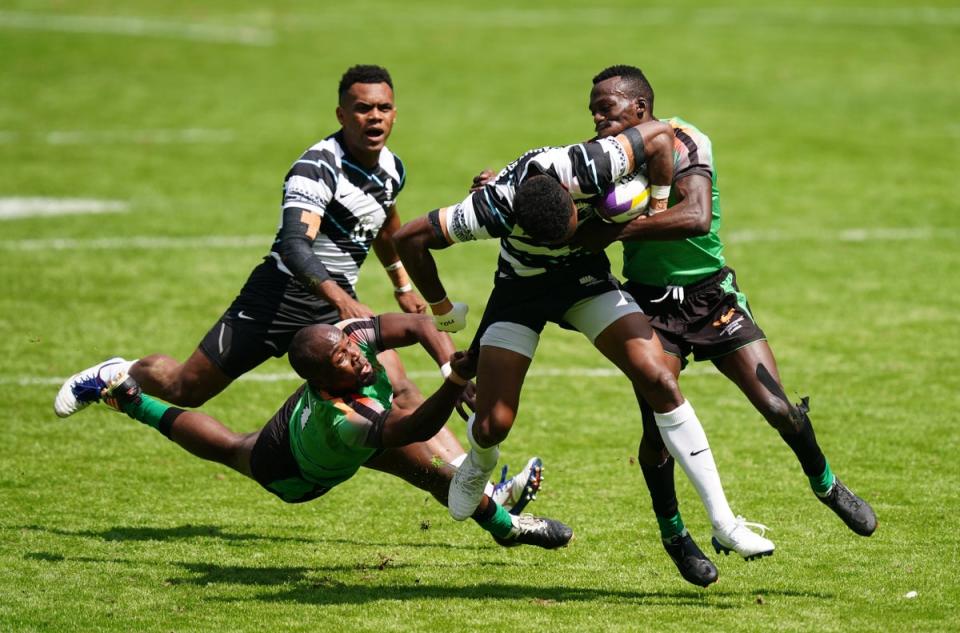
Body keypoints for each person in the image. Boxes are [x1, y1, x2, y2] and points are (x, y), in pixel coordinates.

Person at [53, 64, 542, 515]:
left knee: (400, 388)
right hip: (278, 298)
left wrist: (400, 284)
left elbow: (385, 223)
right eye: (363, 108)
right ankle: (123, 372)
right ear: (341, 113)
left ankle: (475, 486)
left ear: (395, 112)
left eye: (384, 108)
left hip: (332, 316)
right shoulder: (316, 167)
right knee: (186, 387)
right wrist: (340, 298)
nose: (375, 117)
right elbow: (293, 244)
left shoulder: (391, 167)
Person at [394, 118, 774, 588]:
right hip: (521, 291)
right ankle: (479, 464)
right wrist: (445, 312)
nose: (563, 239)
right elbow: (408, 239)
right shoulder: (492, 207)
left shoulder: (589, 164)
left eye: (569, 230)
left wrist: (654, 207)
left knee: (658, 377)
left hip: (583, 282)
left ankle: (723, 521)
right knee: (494, 423)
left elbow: (660, 135)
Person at [572, 65, 877, 551]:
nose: (594, 116)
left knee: (778, 405)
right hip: (648, 307)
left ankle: (827, 484)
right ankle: (674, 532)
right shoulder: (602, 159)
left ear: (639, 108)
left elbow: (694, 216)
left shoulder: (686, 140)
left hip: (711, 297)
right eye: (591, 109)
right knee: (657, 433)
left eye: (603, 107)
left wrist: (616, 230)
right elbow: (557, 195)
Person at [79, 313, 572, 549]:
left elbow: (420, 327)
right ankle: (133, 401)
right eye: (342, 359)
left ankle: (501, 517)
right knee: (233, 449)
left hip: (353, 427)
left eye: (348, 347)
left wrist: (449, 362)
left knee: (427, 450)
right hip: (296, 468)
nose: (355, 356)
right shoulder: (342, 417)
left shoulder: (352, 342)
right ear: (321, 380)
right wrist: (458, 381)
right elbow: (413, 427)